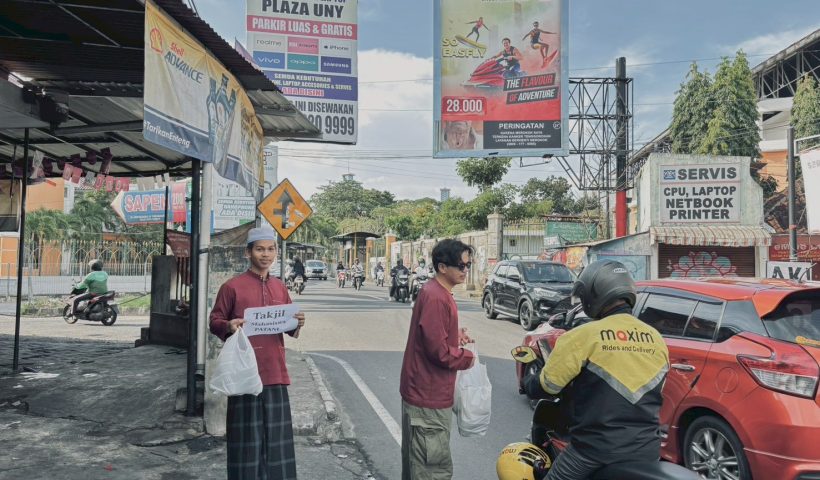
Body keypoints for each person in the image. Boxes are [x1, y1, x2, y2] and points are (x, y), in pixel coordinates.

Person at [525, 259, 669, 480]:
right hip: (646, 450)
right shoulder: (656, 339)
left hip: (595, 448)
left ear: (593, 295)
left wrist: (530, 383)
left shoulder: (583, 336)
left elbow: (548, 386)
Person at [209, 226, 306, 480]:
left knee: (278, 443)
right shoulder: (232, 287)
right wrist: (228, 326)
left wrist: (297, 323)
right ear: (248, 252)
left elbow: (288, 327)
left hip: (275, 374)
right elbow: (215, 320)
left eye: (271, 249)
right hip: (244, 376)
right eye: (260, 249)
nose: (266, 254)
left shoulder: (280, 287)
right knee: (246, 443)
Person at [400, 239, 476, 480]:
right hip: (428, 398)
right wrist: (467, 358)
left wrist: (455, 336)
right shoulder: (436, 297)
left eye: (468, 265)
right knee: (431, 471)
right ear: (443, 267)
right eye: (461, 266)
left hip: (425, 393)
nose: (466, 271)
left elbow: (433, 337)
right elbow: (439, 352)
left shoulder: (437, 292)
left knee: (419, 467)